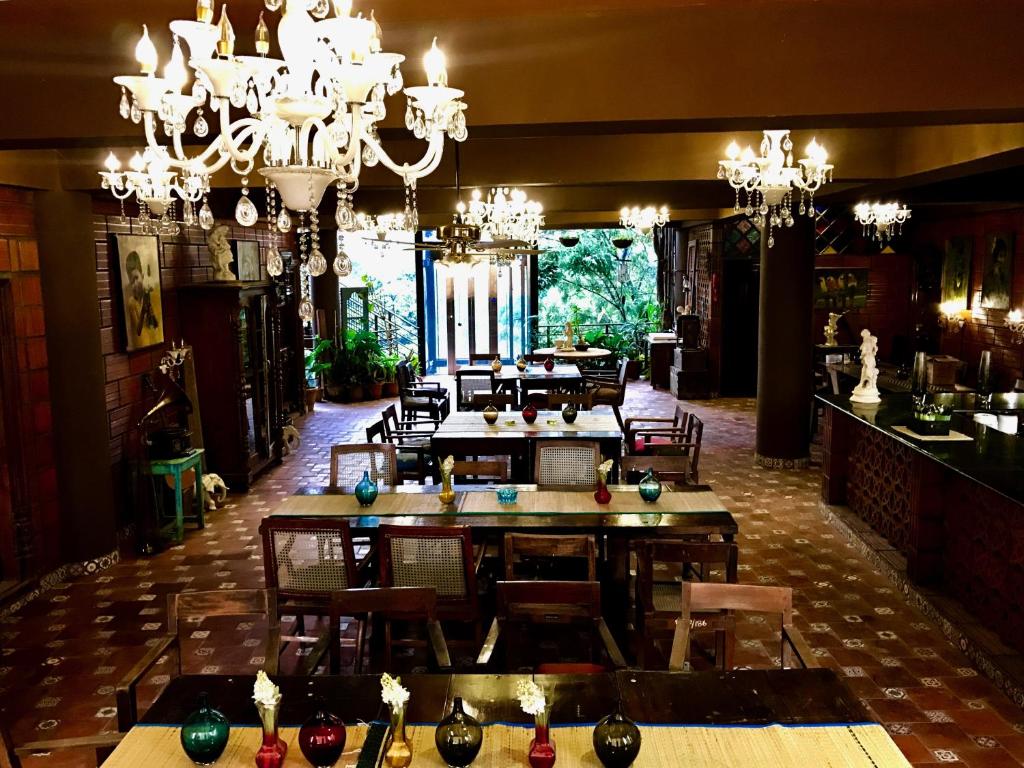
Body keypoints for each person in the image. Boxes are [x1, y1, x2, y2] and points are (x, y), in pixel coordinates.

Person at [124, 249, 162, 349]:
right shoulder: (132, 304)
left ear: (143, 276)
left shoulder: (154, 295)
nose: (135, 284)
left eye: (137, 278)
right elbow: (137, 335)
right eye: (132, 281)